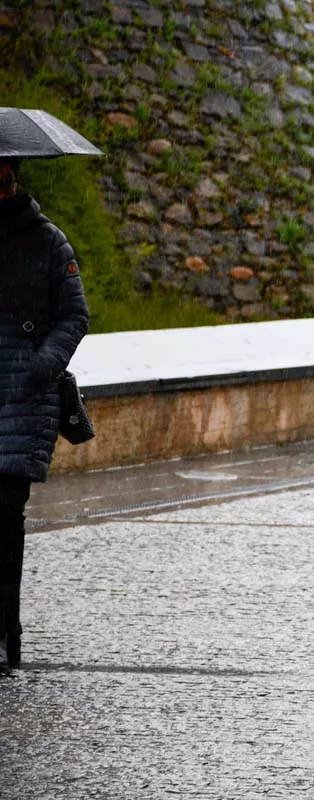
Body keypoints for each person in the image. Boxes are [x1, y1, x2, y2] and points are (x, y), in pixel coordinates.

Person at [0, 157, 90, 673]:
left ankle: (5, 634)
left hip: (26, 398)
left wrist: (45, 364)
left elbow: (75, 315)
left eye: (6, 182)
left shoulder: (49, 242)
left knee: (6, 517)